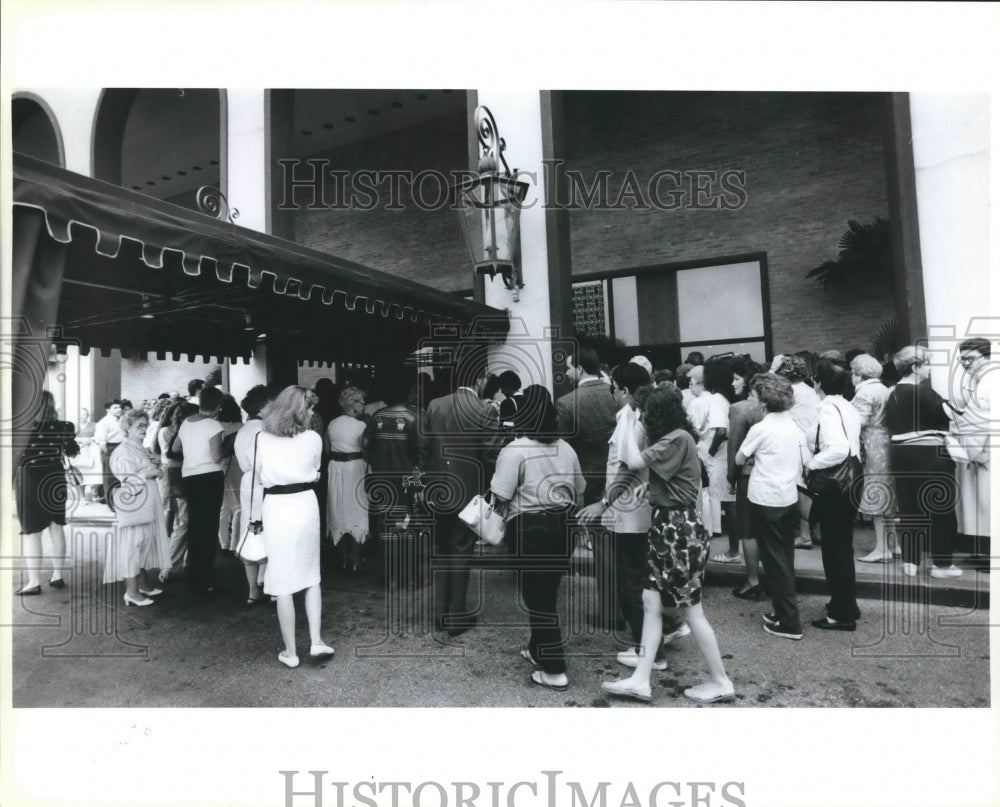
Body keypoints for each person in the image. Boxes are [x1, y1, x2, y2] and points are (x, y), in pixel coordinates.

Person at [590, 386, 734, 704]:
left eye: (646, 414)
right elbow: (656, 477)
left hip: (678, 531)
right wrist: (651, 494)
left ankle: (721, 680)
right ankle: (641, 679)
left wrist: (627, 419)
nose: (644, 419)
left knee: (692, 611)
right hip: (670, 527)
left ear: (656, 415)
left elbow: (630, 460)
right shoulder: (678, 438)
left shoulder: (675, 438)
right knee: (651, 603)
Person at [578, 368, 691, 674]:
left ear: (625, 390)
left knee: (632, 581)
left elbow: (627, 466)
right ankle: (664, 630)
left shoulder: (632, 420)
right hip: (634, 508)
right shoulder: (641, 418)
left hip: (630, 511)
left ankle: (650, 652)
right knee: (643, 578)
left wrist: (603, 504)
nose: (611, 394)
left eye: (613, 388)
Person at [491, 385, 584, 691]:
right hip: (563, 525)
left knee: (537, 597)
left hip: (530, 528)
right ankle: (535, 648)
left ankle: (555, 668)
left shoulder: (515, 449)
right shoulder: (566, 448)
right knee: (547, 591)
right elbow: (579, 490)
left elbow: (501, 494)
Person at [418, 348, 498, 636]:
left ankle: (440, 612)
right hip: (468, 490)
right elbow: (491, 455)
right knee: (461, 549)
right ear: (478, 380)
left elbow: (424, 450)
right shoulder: (485, 410)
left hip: (437, 488)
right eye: (486, 377)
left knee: (440, 549)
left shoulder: (435, 405)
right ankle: (455, 614)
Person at [257, 385, 333, 668]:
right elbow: (314, 472)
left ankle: (291, 652)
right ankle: (316, 640)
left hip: (276, 505)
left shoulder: (261, 438)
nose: (312, 413)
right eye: (309, 408)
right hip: (304, 503)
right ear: (300, 411)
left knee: (282, 578)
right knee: (311, 574)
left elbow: (258, 476)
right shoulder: (313, 438)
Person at [734, 373, 810, 639]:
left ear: (764, 402)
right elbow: (805, 459)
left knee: (775, 562)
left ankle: (790, 622)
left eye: (754, 395)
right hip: (789, 497)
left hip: (765, 499)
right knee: (784, 557)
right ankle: (780, 611)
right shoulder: (795, 426)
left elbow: (739, 457)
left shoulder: (761, 428)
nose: (751, 399)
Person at [555, 346, 620, 630]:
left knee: (601, 547)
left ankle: (611, 612)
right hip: (619, 477)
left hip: (587, 481)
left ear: (579, 369)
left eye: (569, 368)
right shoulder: (616, 395)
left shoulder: (567, 402)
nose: (567, 373)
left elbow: (562, 445)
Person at [885, 346, 962, 579]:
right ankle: (942, 565)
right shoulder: (923, 392)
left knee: (910, 509)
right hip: (931, 456)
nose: (930, 368)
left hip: (900, 456)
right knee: (941, 508)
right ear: (916, 367)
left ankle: (911, 562)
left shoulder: (893, 393)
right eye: (927, 363)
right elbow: (952, 413)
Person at [805, 359, 863, 631]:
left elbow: (837, 448)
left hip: (835, 483)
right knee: (842, 546)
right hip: (853, 477)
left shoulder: (828, 409)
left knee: (834, 548)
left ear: (817, 381)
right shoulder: (846, 406)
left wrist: (811, 464)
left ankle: (841, 612)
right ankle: (846, 605)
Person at [14, 390, 79, 594]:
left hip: (29, 479)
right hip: (54, 477)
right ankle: (57, 575)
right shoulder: (64, 427)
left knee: (31, 532)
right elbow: (72, 451)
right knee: (56, 527)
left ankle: (34, 582)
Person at [106, 409, 170, 606]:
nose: (143, 429)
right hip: (136, 503)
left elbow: (154, 469)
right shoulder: (123, 451)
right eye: (139, 426)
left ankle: (142, 585)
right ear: (127, 428)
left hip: (148, 501)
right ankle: (131, 592)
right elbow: (125, 478)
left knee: (144, 544)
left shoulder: (141, 448)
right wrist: (150, 473)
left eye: (145, 425)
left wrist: (156, 467)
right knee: (132, 546)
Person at [364, 372, 422, 587]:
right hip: (406, 483)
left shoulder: (377, 417)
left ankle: (391, 579)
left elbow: (366, 449)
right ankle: (410, 578)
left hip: (383, 482)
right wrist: (419, 485)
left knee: (386, 528)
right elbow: (421, 456)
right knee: (409, 528)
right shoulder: (414, 418)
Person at [174, 386, 229, 592]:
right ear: (217, 406)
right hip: (210, 477)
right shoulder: (214, 425)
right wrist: (228, 445)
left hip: (189, 477)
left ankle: (194, 572)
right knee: (209, 526)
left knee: (195, 524)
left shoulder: (186, 422)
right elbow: (216, 456)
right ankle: (205, 577)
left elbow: (175, 448)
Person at [850, 353, 899, 562]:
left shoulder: (864, 393)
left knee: (877, 494)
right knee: (888, 494)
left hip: (872, 446)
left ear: (858, 374)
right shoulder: (884, 389)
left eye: (853, 373)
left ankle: (881, 549)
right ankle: (894, 544)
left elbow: (857, 422)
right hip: (888, 443)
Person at [727, 358, 765, 598]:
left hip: (748, 474)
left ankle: (752, 580)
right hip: (771, 474)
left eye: (737, 378)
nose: (733, 383)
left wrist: (731, 477)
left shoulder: (740, 409)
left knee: (748, 530)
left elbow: (735, 447)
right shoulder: (770, 406)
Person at [775, 354, 821, 549]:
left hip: (797, 442)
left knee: (801, 488)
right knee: (810, 488)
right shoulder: (810, 390)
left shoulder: (790, 392)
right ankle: (815, 531)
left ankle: (804, 535)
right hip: (813, 442)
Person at [233, 385, 274, 605]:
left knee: (250, 532)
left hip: (247, 481)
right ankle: (267, 583)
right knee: (266, 530)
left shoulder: (243, 429)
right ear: (263, 405)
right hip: (262, 482)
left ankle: (252, 590)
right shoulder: (264, 430)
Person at [951, 338, 990, 557]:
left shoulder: (992, 380)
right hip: (972, 448)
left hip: (987, 450)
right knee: (976, 501)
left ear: (987, 357)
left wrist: (982, 452)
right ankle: (982, 549)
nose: (966, 364)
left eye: (971, 358)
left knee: (988, 501)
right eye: (962, 359)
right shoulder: (972, 380)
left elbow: (989, 419)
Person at [326, 385, 370, 572]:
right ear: (353, 405)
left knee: (338, 510)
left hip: (336, 469)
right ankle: (356, 559)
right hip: (355, 468)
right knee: (356, 510)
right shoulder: (361, 426)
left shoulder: (332, 424)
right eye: (362, 402)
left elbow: (327, 450)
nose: (364, 406)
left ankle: (344, 558)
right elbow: (367, 449)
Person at [216, 394, 244, 554]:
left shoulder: (215, 426)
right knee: (239, 505)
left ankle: (223, 543)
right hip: (236, 465)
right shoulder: (242, 427)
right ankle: (235, 543)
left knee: (223, 507)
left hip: (219, 465)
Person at [93, 398, 124, 504]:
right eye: (115, 407)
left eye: (119, 407)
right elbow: (101, 441)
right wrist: (108, 454)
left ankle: (121, 501)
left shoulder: (122, 420)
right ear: (108, 409)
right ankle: (111, 503)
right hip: (110, 448)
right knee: (110, 477)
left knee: (122, 475)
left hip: (122, 448)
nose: (119, 409)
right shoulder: (103, 423)